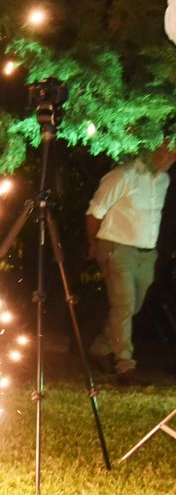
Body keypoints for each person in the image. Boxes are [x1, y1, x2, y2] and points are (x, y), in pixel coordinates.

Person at [87, 144, 176, 385]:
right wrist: (94, 246)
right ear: (151, 146)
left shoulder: (163, 180)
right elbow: (94, 213)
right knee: (123, 305)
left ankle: (100, 347)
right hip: (117, 247)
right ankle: (125, 365)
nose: (170, 156)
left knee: (132, 307)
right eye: (166, 149)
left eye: (174, 151)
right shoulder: (123, 175)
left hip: (146, 253)